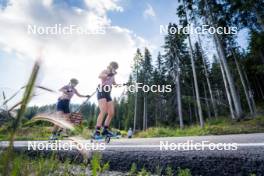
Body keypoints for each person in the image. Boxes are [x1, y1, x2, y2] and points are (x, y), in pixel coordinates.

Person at [93, 61, 119, 139]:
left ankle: (105, 130)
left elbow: (114, 83)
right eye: (114, 67)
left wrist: (120, 84)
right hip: (102, 90)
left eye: (115, 68)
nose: (114, 68)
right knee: (103, 111)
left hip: (108, 93)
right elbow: (100, 76)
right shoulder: (105, 71)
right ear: (110, 66)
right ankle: (97, 132)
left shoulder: (113, 75)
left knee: (111, 113)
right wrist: (111, 74)